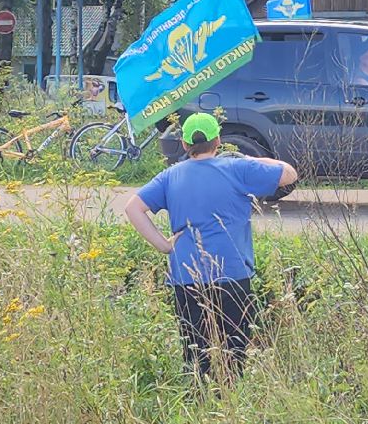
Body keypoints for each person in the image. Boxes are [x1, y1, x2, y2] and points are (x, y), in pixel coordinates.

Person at [122, 112, 299, 381]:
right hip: (233, 275)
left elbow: (133, 208)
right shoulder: (237, 169)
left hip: (186, 277)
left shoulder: (170, 176)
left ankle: (199, 403)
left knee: (195, 354)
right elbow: (289, 174)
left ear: (184, 144)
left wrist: (165, 246)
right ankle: (229, 402)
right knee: (234, 351)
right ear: (218, 140)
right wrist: (250, 159)